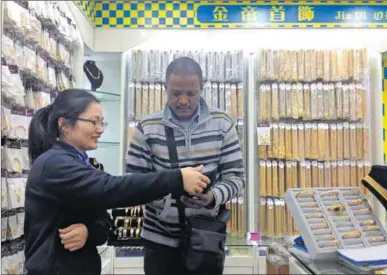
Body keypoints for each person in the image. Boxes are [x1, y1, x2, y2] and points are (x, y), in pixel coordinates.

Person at [24, 89, 210, 275]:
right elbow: (111, 189)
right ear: (64, 124)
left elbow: (104, 221)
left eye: (101, 122)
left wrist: (88, 231)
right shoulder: (54, 164)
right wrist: (176, 178)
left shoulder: (82, 163)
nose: (100, 129)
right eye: (93, 122)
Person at [126, 57, 246, 274]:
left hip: (206, 239)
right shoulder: (147, 128)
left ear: (202, 88)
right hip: (159, 241)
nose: (183, 101)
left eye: (191, 94)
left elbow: (236, 177)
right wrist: (169, 201)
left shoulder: (222, 124)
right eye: (175, 93)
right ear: (165, 88)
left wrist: (212, 198)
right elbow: (134, 183)